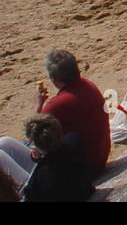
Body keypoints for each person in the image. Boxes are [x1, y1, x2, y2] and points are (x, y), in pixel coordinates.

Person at [32, 49, 110, 177]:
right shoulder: (88, 85)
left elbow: (33, 132)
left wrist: (38, 105)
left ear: (53, 78)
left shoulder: (58, 104)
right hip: (98, 158)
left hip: (82, 169)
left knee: (4, 146)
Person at [18, 114, 93, 202]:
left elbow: (30, 195)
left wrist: (42, 156)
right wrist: (41, 157)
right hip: (83, 191)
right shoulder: (74, 140)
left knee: (0, 150)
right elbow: (58, 158)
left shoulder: (40, 177)